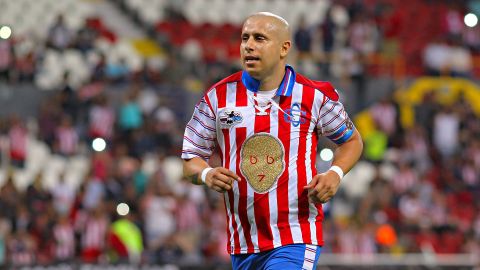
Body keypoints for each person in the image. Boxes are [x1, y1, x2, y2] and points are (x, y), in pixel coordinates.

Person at [181, 12, 363, 269]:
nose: (249, 45)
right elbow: (190, 160)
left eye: (260, 38)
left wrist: (335, 173)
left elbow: (352, 141)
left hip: (296, 235)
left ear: (283, 48)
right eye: (245, 38)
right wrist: (206, 174)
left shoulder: (312, 96)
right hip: (243, 242)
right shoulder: (218, 98)